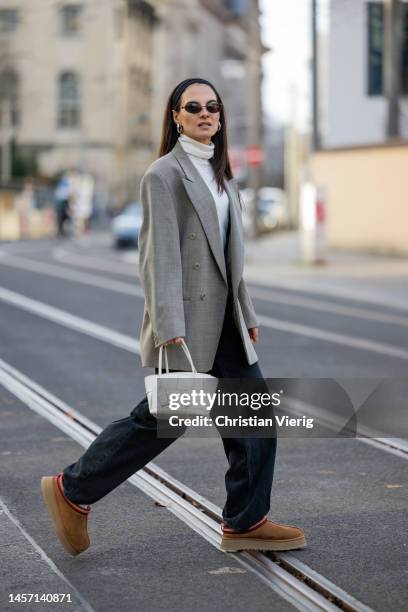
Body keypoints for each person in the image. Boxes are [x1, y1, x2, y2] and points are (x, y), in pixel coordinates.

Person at [41, 78, 306, 556]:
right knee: (162, 419)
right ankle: (71, 490)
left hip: (225, 319)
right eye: (193, 107)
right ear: (176, 116)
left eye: (212, 106)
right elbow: (158, 259)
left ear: (220, 117)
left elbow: (232, 258)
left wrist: (245, 311)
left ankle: (246, 521)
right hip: (186, 322)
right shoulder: (163, 175)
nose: (205, 113)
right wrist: (169, 329)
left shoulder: (224, 175)